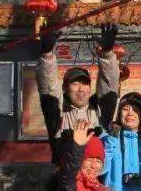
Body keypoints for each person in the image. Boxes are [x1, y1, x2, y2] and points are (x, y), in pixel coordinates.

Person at [36, 25, 119, 164]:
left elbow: (109, 82)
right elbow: (48, 86)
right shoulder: (58, 112)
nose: (81, 89)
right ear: (65, 88)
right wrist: (47, 54)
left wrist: (108, 53)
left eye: (84, 83)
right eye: (75, 84)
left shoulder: (99, 110)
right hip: (67, 178)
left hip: (96, 177)